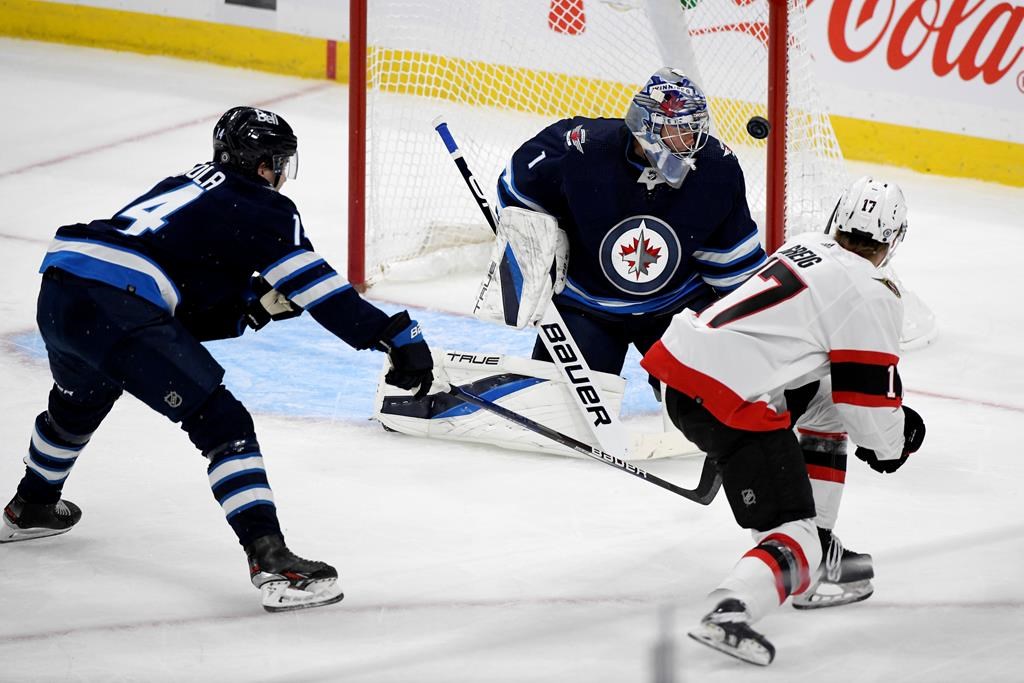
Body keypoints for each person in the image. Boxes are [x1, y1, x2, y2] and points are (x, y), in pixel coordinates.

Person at [0, 106, 438, 613]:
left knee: (80, 400)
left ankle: (32, 504)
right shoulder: (263, 207)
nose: (280, 175)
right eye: (279, 162)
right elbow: (322, 293)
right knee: (222, 421)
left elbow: (172, 298)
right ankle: (273, 564)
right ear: (261, 164)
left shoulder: (188, 185)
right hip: (116, 302)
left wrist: (248, 308)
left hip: (62, 290)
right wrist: (394, 336)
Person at [640, 176, 927, 665]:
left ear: (837, 220)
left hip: (674, 365)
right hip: (726, 400)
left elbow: (840, 401)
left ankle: (821, 548)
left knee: (825, 407)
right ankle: (733, 607)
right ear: (894, 240)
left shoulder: (806, 246)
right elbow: (867, 405)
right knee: (793, 534)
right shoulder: (872, 290)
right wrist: (895, 441)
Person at [495, 66, 767, 390]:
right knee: (556, 409)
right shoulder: (582, 150)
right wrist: (533, 250)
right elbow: (517, 191)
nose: (692, 140)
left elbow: (734, 272)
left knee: (711, 409)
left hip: (677, 309)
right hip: (587, 305)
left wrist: (754, 336)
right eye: (680, 129)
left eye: (695, 129)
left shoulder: (715, 170)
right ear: (646, 127)